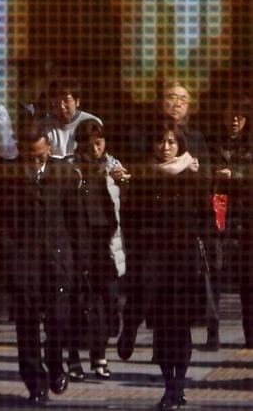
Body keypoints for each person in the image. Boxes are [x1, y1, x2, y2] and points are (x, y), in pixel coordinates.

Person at [119, 80, 211, 359]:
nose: (177, 102)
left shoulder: (196, 140)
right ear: (161, 102)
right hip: (150, 230)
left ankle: (170, 358)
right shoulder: (143, 135)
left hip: (181, 233)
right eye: (171, 96)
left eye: (183, 98)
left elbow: (205, 185)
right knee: (146, 286)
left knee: (174, 298)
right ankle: (132, 324)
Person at [123, 122, 213, 410]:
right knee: (162, 328)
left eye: (171, 142)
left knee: (181, 328)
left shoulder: (194, 176)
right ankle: (168, 387)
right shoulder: (143, 178)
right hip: (154, 263)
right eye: (161, 142)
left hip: (183, 264)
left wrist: (204, 245)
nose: (165, 147)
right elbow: (130, 219)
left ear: (181, 145)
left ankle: (180, 385)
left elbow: (207, 218)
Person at [1, 126, 75, 405]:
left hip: (57, 261)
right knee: (27, 325)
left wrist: (77, 262)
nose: (35, 162)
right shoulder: (11, 178)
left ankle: (56, 365)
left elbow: (75, 221)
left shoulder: (64, 175)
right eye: (30, 157)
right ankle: (35, 383)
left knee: (57, 320)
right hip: (25, 262)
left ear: (49, 151)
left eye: (40, 156)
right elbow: (2, 223)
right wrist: (8, 259)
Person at [66, 120, 128, 382]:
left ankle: (99, 355)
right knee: (77, 303)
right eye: (90, 143)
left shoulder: (113, 167)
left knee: (107, 302)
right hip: (78, 245)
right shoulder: (69, 169)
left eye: (100, 142)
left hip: (107, 246)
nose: (96, 148)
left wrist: (125, 183)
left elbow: (126, 202)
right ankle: (73, 358)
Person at [209, 91, 253, 349]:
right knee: (214, 276)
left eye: (240, 115)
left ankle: (250, 336)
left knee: (248, 281)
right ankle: (213, 334)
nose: (234, 120)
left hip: (247, 217)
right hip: (218, 214)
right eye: (229, 114)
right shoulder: (213, 141)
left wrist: (234, 173)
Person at [37, 78, 102, 159]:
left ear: (77, 101)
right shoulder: (43, 126)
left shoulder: (92, 122)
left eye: (66, 100)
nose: (61, 106)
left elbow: (103, 155)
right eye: (55, 101)